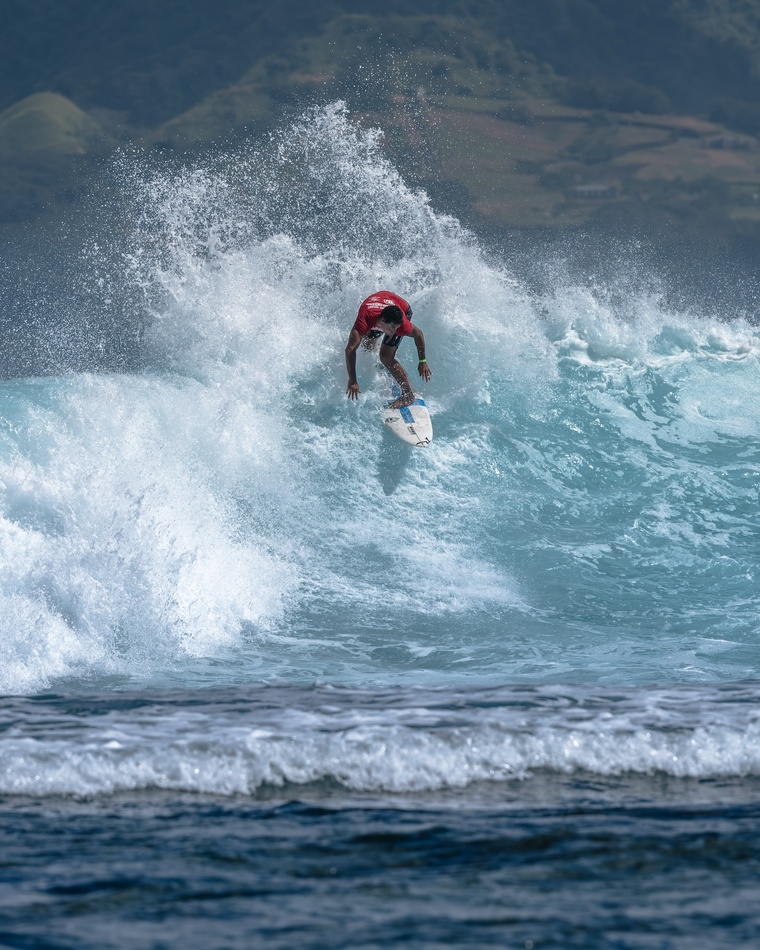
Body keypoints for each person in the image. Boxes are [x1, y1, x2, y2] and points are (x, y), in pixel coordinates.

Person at [345, 290, 431, 408]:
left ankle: (408, 395)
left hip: (401, 308)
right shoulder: (364, 319)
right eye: (392, 328)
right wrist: (352, 380)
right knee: (366, 346)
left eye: (396, 328)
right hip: (375, 307)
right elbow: (350, 350)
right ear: (382, 321)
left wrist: (422, 361)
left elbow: (419, 334)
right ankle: (379, 349)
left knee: (385, 357)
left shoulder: (400, 325)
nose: (394, 331)